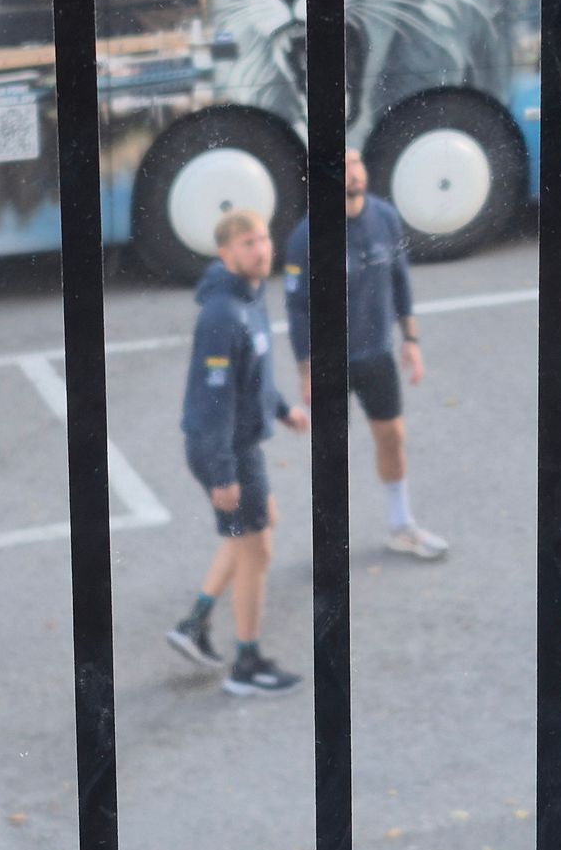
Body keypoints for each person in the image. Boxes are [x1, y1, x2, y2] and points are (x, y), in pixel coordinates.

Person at [167, 210, 312, 696]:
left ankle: (195, 622)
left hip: (238, 445)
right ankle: (246, 665)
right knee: (257, 548)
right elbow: (216, 403)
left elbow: (254, 376)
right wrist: (223, 475)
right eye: (248, 243)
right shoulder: (222, 315)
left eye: (264, 239)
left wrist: (283, 409)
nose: (261, 250)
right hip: (225, 449)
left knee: (257, 526)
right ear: (225, 253)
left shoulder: (251, 295)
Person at [285, 149, 447, 559]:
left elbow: (400, 280)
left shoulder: (385, 218)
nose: (354, 172)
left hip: (376, 356)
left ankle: (401, 525)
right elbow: (297, 308)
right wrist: (305, 369)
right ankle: (328, 541)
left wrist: (411, 341)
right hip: (330, 364)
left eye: (357, 163)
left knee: (392, 436)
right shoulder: (306, 236)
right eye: (344, 166)